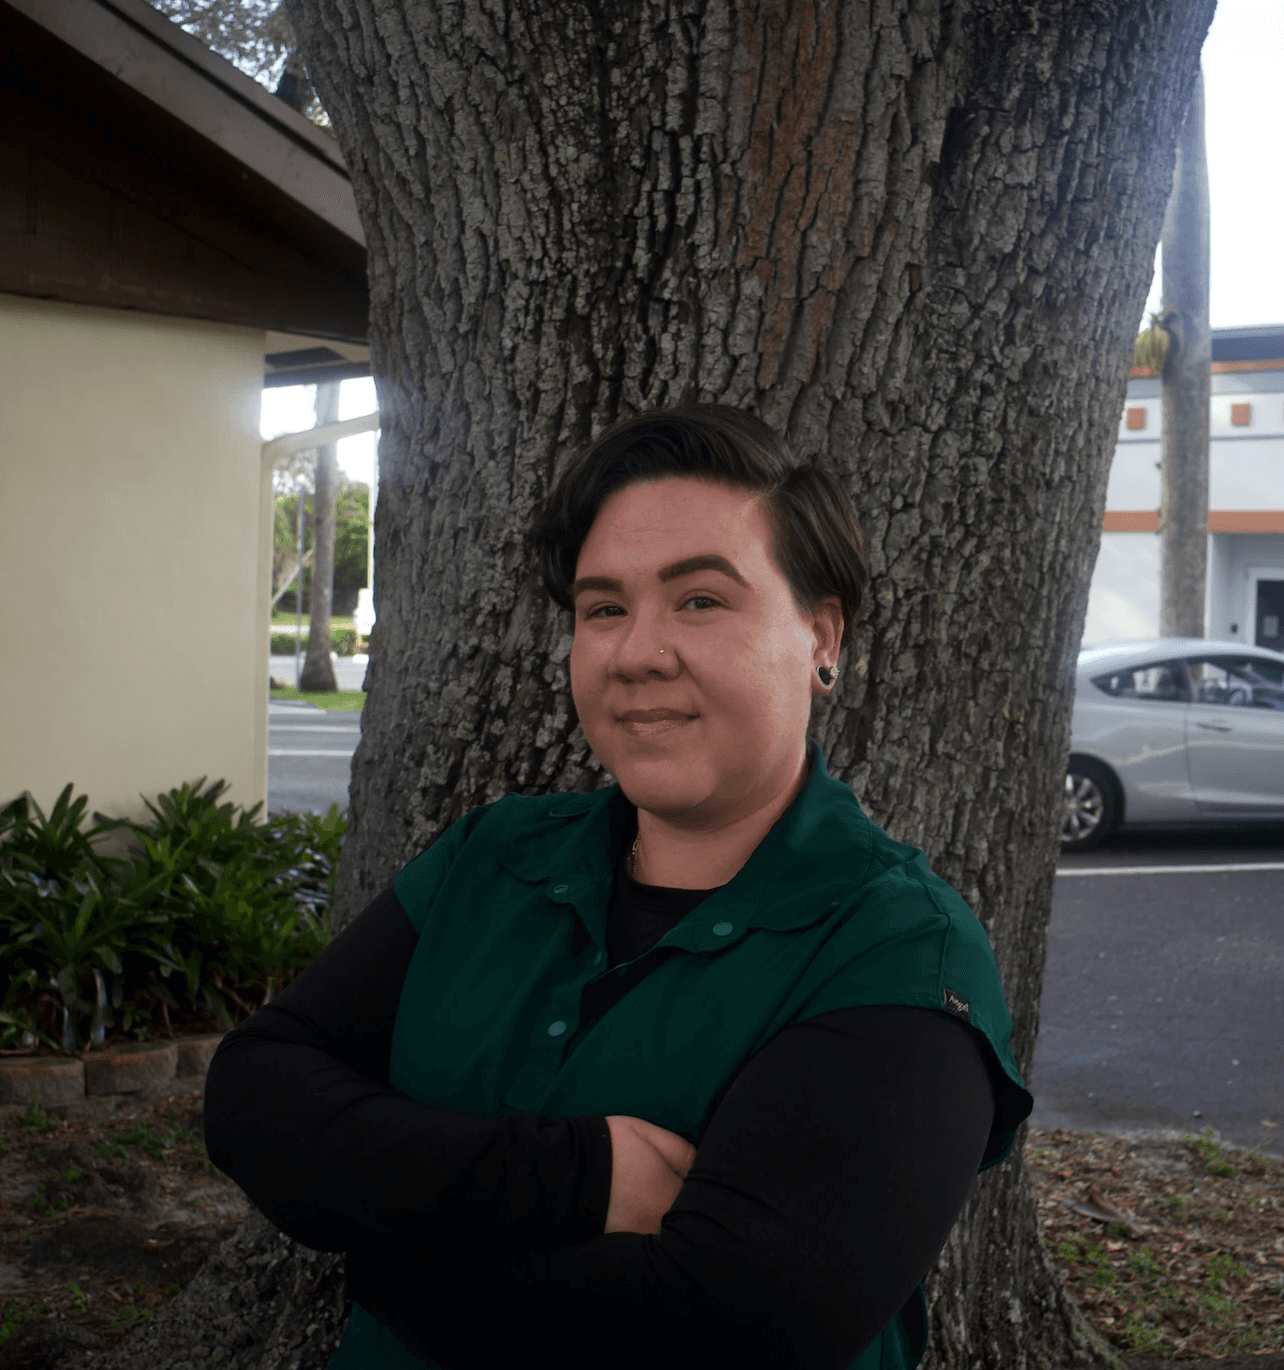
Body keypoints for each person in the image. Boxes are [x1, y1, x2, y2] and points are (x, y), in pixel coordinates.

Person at [204, 405, 1033, 1370]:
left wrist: (383, 1252)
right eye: (603, 608)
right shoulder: (493, 857)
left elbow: (733, 1326)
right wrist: (579, 1176)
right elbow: (253, 1093)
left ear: (822, 637)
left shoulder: (895, 948)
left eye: (700, 601)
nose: (637, 652)